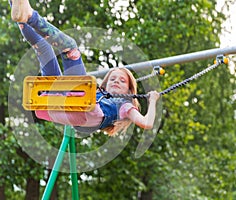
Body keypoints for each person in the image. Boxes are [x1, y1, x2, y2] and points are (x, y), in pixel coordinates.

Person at [10, 0, 160, 136]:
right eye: (113, 78)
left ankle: (30, 16)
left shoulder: (125, 106)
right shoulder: (95, 93)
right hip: (57, 103)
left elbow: (147, 123)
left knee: (70, 49)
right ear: (105, 85)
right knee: (43, 48)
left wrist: (152, 100)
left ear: (129, 91)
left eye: (122, 81)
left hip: (77, 108)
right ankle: (17, 6)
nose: (116, 81)